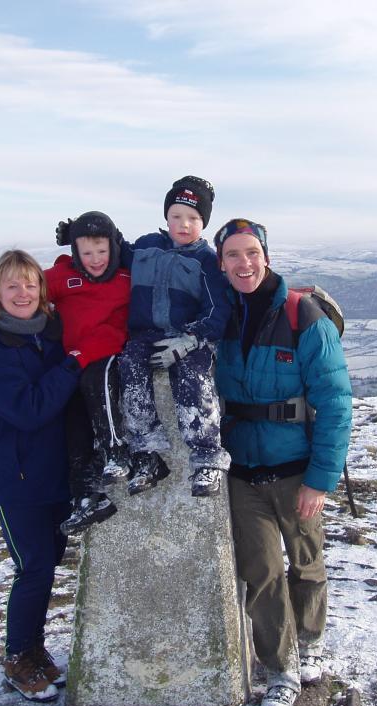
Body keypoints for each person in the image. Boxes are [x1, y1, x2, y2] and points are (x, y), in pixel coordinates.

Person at [212, 218, 352, 706]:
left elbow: (335, 401)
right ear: (221, 262)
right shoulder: (219, 317)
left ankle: (310, 638)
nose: (243, 263)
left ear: (266, 256)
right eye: (232, 255)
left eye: (251, 252)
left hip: (297, 469)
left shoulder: (302, 315)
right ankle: (281, 669)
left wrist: (320, 480)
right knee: (262, 573)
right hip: (243, 471)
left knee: (306, 562)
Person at [0, 249, 82, 703]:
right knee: (33, 568)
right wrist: (73, 365)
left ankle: (34, 650)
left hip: (55, 475)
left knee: (47, 564)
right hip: (19, 481)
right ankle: (18, 657)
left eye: (30, 284)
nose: (22, 293)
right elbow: (29, 410)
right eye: (12, 285)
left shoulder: (45, 336)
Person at [118, 175, 232, 497]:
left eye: (194, 218)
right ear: (166, 217)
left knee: (192, 377)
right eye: (176, 216)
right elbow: (110, 252)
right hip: (145, 335)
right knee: (130, 366)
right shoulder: (144, 248)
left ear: (204, 223)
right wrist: (81, 232)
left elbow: (217, 311)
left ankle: (207, 457)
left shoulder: (206, 261)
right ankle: (147, 449)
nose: (184, 224)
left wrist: (191, 339)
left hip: (189, 337)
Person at [48, 210, 132, 534]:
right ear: (75, 253)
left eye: (102, 251)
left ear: (113, 247)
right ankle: (86, 498)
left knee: (96, 386)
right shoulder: (64, 276)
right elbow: (24, 286)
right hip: (73, 364)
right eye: (86, 253)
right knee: (74, 427)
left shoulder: (126, 278)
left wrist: (81, 356)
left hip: (107, 357)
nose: (95, 259)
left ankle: (117, 451)